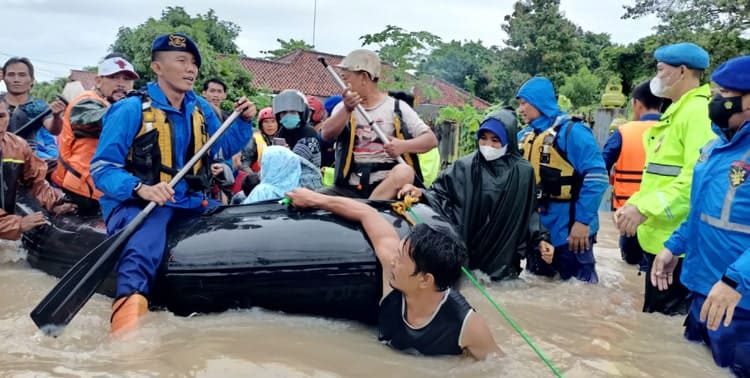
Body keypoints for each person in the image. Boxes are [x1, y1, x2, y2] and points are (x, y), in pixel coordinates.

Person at [90, 33, 256, 335]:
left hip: (188, 201)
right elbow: (102, 168)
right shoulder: (129, 110)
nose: (190, 69)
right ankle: (127, 329)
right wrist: (141, 189)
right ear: (157, 66)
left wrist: (244, 121)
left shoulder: (200, 109)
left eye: (193, 63)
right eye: (181, 61)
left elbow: (224, 146)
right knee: (144, 245)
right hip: (139, 203)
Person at [285, 188, 502, 359]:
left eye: (401, 259)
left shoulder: (466, 325)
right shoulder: (394, 272)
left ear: (425, 279)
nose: (392, 262)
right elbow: (366, 213)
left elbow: (499, 368)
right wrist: (314, 199)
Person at [651, 55, 750, 376]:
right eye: (714, 94)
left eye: (725, 95)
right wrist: (673, 246)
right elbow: (700, 211)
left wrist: (736, 279)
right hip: (703, 291)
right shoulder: (713, 149)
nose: (716, 102)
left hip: (740, 302)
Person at [615, 42, 716, 315]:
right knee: (654, 324)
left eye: (660, 70)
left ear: (681, 71)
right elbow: (656, 177)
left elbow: (696, 179)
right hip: (659, 239)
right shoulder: (675, 112)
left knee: (666, 321)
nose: (656, 77)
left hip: (678, 246)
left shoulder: (697, 114)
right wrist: (632, 205)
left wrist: (644, 209)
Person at [399, 109, 553, 281]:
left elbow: (529, 212)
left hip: (504, 259)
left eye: (495, 140)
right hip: (468, 251)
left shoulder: (523, 172)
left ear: (508, 140)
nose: (488, 145)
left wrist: (541, 240)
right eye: (484, 138)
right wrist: (421, 193)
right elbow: (440, 195)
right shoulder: (464, 166)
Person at [516, 77, 609, 284]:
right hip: (539, 230)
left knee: (579, 291)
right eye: (519, 104)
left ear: (539, 101)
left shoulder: (573, 132)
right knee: (540, 288)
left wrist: (582, 222)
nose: (520, 109)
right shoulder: (525, 136)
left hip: (572, 228)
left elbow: (597, 177)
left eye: (524, 103)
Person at [320, 49, 438, 200]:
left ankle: (367, 209)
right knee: (306, 199)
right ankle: (362, 209)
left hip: (387, 186)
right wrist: (347, 109)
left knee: (405, 172)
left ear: (363, 77)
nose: (345, 86)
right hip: (349, 187)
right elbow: (326, 135)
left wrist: (403, 146)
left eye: (347, 79)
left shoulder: (396, 107)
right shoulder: (343, 107)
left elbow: (431, 140)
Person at [51, 53, 138, 215]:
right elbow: (100, 120)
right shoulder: (86, 102)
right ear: (98, 81)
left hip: (109, 186)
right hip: (83, 191)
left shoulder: (120, 106)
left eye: (126, 79)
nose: (121, 84)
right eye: (114, 77)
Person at [602, 81, 665, 265]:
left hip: (628, 211)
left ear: (637, 104)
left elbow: (599, 168)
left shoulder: (624, 132)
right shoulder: (674, 130)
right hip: (663, 211)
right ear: (661, 103)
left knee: (630, 264)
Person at [0, 98, 75, 240]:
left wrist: (56, 203)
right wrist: (17, 224)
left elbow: (37, 182)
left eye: (1, 116)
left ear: (9, 116)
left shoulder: (18, 145)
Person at [1, 57, 66, 163]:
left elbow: (54, 130)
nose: (16, 79)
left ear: (31, 80)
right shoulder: (0, 103)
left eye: (22, 75)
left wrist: (56, 116)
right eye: (11, 75)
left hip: (29, 160)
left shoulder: (38, 106)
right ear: (4, 78)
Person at [273, 90, 322, 168]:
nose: (288, 115)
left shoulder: (309, 133)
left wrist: (286, 153)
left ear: (302, 114)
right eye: (284, 112)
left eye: (293, 112)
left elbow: (299, 164)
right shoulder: (281, 132)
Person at [240, 107, 277, 173]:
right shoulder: (254, 139)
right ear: (261, 125)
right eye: (266, 122)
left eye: (273, 121)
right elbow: (244, 164)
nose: (270, 125)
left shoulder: (285, 137)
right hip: (259, 178)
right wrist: (255, 178)